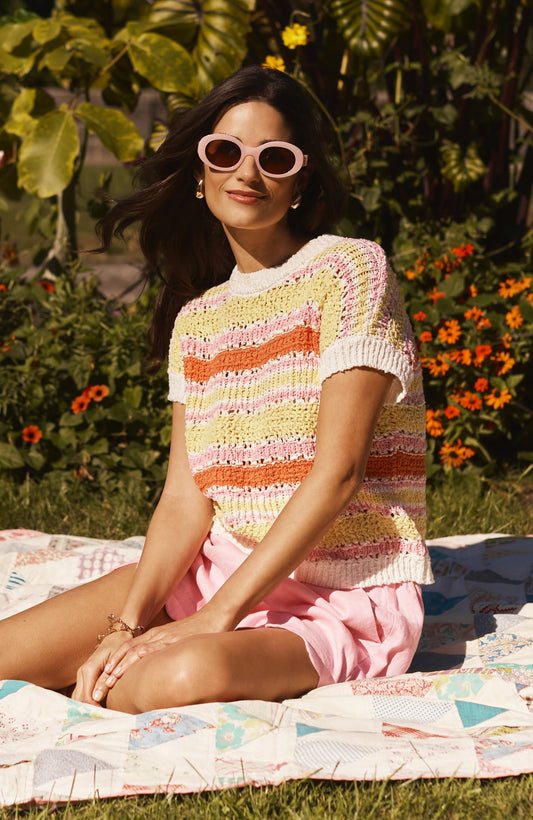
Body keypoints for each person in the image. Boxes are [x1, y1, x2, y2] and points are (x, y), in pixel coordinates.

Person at [0, 66, 433, 714]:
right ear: (201, 174)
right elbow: (184, 500)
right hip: (212, 573)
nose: (247, 172)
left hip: (337, 593)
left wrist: (213, 619)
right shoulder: (198, 321)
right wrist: (127, 625)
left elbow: (338, 474)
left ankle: (109, 678)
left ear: (300, 180)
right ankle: (107, 668)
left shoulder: (349, 271)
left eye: (274, 157)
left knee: (177, 677)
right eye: (226, 152)